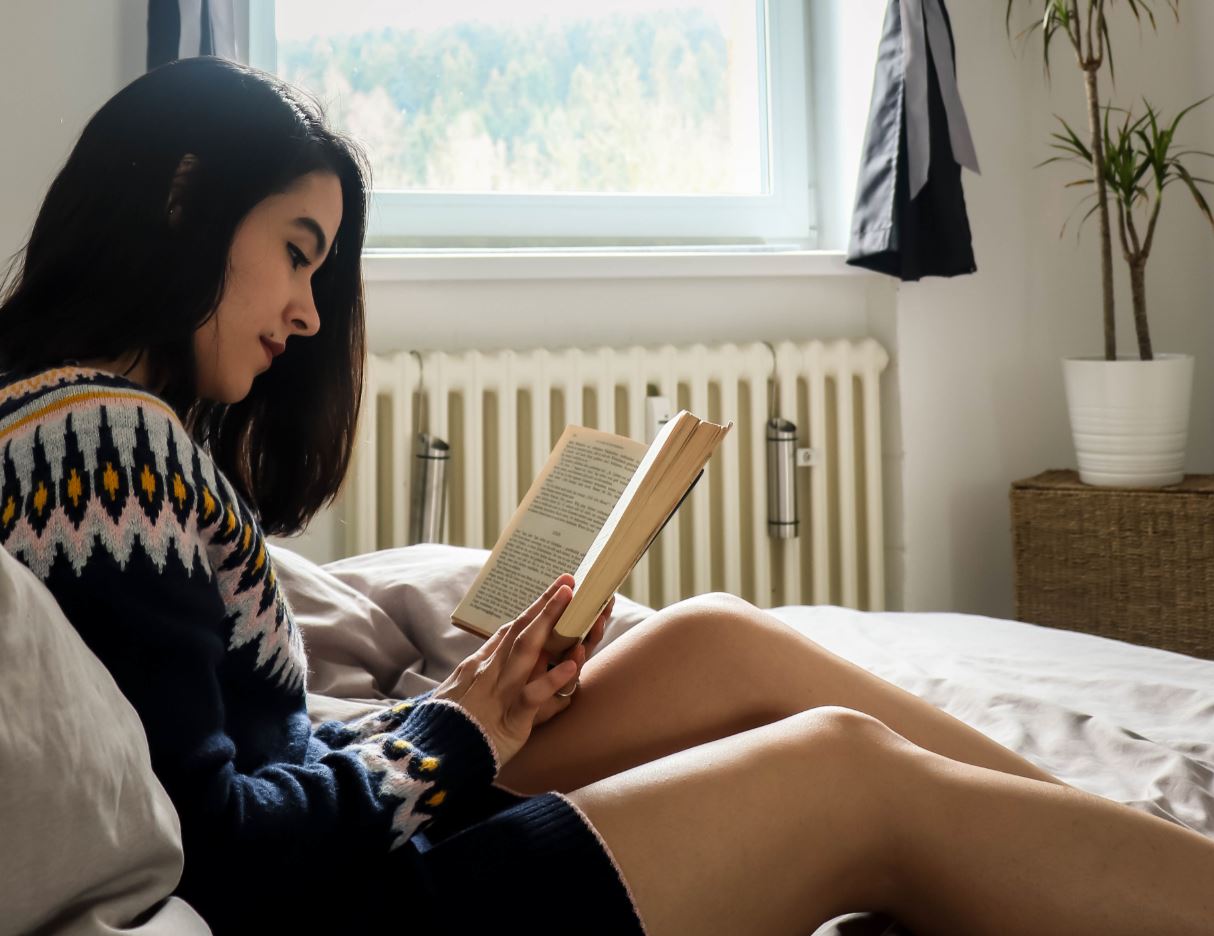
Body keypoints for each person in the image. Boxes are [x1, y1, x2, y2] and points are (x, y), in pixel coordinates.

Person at [0, 56, 1211, 936]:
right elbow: (220, 857)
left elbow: (219, 762)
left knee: (717, 637)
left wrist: (456, 714)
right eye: (299, 251)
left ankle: (1149, 861)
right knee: (845, 772)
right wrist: (454, 732)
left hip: (345, 829)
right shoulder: (99, 440)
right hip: (344, 903)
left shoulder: (75, 425)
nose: (311, 311)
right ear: (183, 197)